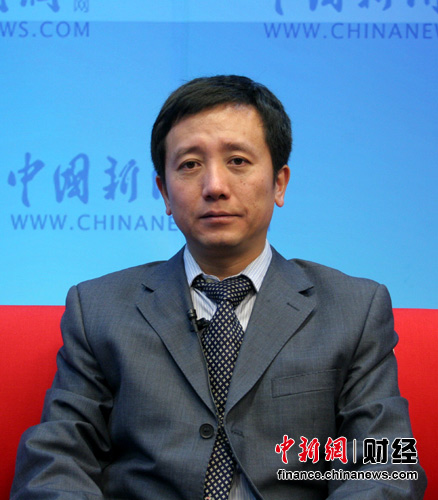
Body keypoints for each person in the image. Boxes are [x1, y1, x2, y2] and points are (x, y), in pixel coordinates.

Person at [11, 75, 426, 499]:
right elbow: (56, 460)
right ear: (164, 192)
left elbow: (388, 462)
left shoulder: (354, 309)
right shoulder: (98, 308)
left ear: (279, 182)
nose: (214, 187)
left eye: (238, 161)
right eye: (190, 165)